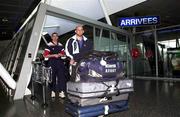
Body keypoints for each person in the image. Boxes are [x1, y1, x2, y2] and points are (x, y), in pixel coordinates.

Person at [43, 32, 66, 98]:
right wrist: (53, 55)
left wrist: (61, 54)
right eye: (53, 36)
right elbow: (45, 55)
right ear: (51, 37)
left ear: (58, 37)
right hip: (51, 63)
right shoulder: (49, 45)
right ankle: (53, 91)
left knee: (61, 77)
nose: (55, 37)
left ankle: (61, 92)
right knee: (52, 78)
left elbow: (64, 54)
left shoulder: (60, 45)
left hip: (60, 63)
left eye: (56, 36)